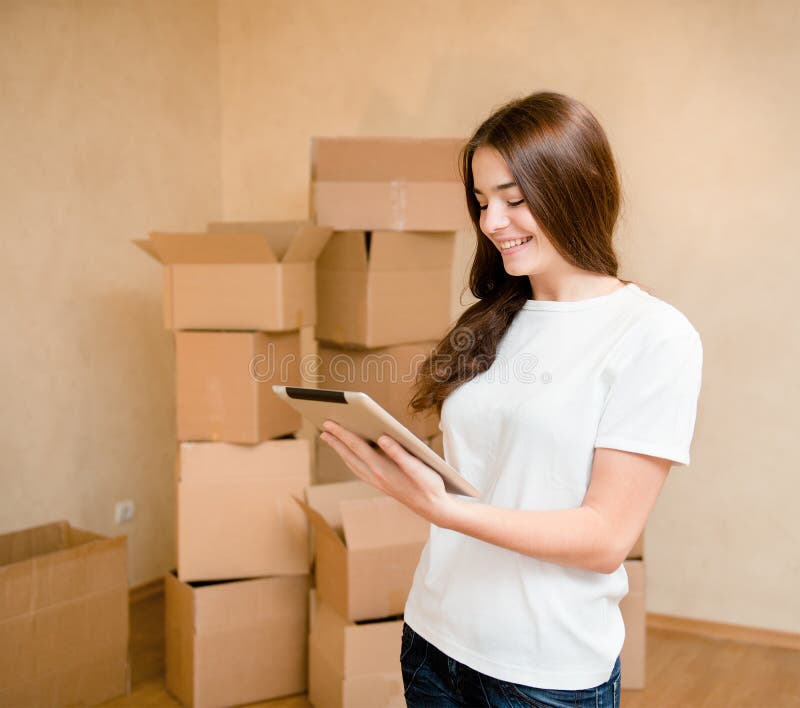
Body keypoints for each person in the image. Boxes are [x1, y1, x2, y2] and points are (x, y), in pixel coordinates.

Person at [320, 91, 703, 708]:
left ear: (576, 190)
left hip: (541, 671)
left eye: (514, 200)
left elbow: (606, 536)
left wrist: (443, 510)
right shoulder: (496, 319)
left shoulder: (654, 336)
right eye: (481, 201)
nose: (492, 222)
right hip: (434, 636)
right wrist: (413, 471)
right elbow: (491, 472)